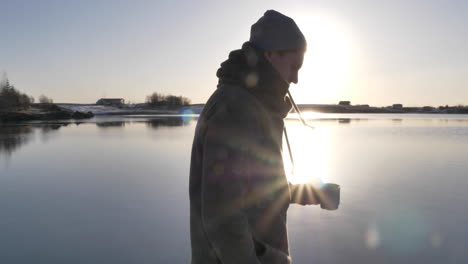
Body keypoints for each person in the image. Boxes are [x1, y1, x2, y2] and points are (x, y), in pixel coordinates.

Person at [189, 10, 320, 264]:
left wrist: (308, 193)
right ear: (270, 54)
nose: (295, 78)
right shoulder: (236, 107)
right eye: (294, 66)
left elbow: (255, 188)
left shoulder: (256, 104)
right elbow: (222, 216)